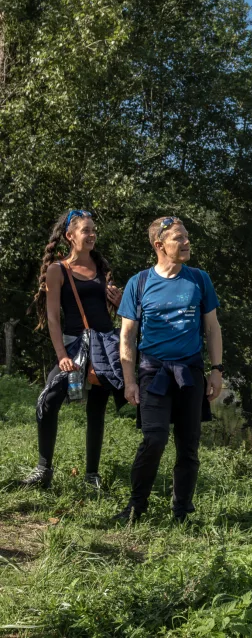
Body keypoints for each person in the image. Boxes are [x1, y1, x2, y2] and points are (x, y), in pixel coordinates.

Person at [114, 216, 222, 523]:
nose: (187, 242)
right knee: (155, 438)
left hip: (189, 372)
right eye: (179, 238)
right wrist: (129, 381)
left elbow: (212, 329)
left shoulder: (199, 279)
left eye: (187, 236)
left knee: (188, 446)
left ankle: (181, 513)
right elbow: (127, 336)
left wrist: (216, 370)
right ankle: (136, 506)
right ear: (160, 245)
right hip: (153, 373)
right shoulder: (140, 282)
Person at [22, 210, 124, 490]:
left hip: (104, 348)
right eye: (85, 231)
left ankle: (92, 476)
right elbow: (53, 317)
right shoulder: (58, 270)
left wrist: (120, 301)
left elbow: (114, 311)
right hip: (75, 347)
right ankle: (44, 470)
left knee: (97, 410)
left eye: (93, 230)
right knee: (47, 400)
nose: (91, 235)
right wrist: (62, 356)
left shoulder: (101, 267)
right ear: (70, 236)